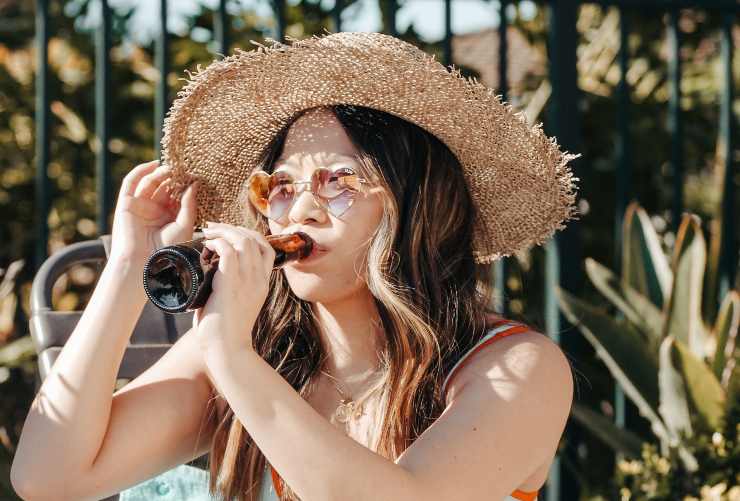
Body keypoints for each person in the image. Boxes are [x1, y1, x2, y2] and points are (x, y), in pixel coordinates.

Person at [11, 32, 579, 501]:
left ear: (419, 206)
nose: (298, 208)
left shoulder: (517, 367)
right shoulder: (255, 353)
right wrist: (128, 268)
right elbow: (47, 479)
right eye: (281, 185)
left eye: (337, 182)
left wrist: (231, 357)